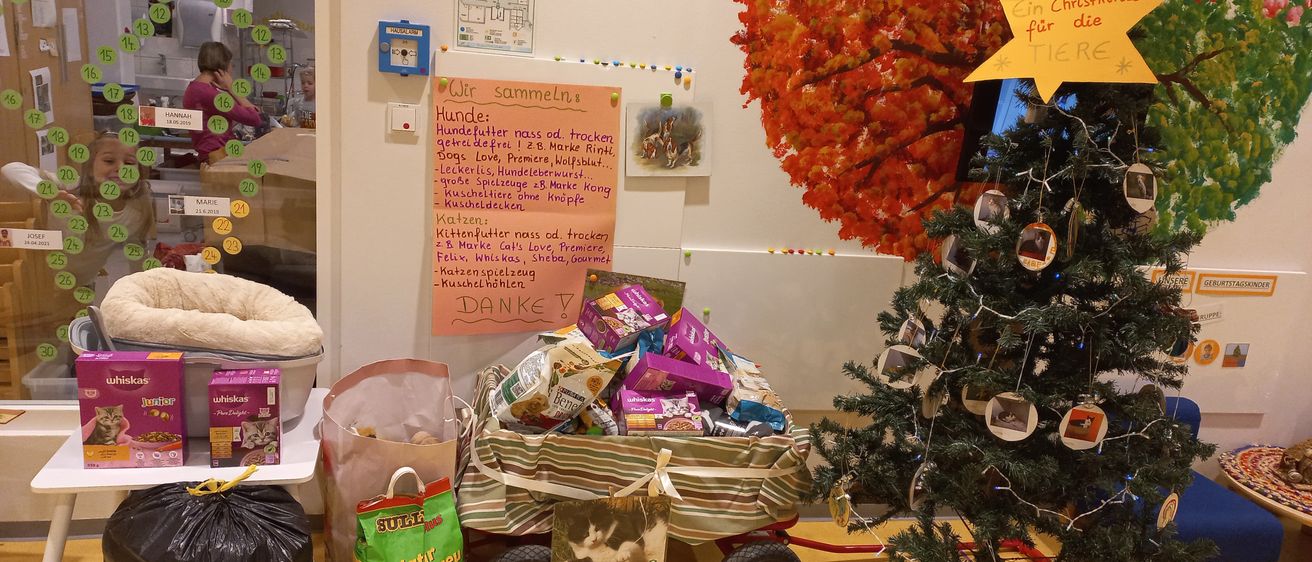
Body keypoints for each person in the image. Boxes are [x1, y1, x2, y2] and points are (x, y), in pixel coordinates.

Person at [2, 132, 156, 287]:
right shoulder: (70, 188)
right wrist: (49, 192)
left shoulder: (137, 211)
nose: (121, 169)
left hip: (79, 288)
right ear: (89, 168)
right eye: (109, 161)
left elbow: (138, 255)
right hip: (34, 285)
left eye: (129, 163)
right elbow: (11, 169)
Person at [184, 42, 262, 164]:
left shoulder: (194, 88)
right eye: (231, 64)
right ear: (223, 67)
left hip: (209, 155)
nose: (231, 68)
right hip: (218, 157)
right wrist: (231, 87)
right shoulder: (209, 94)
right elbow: (255, 118)